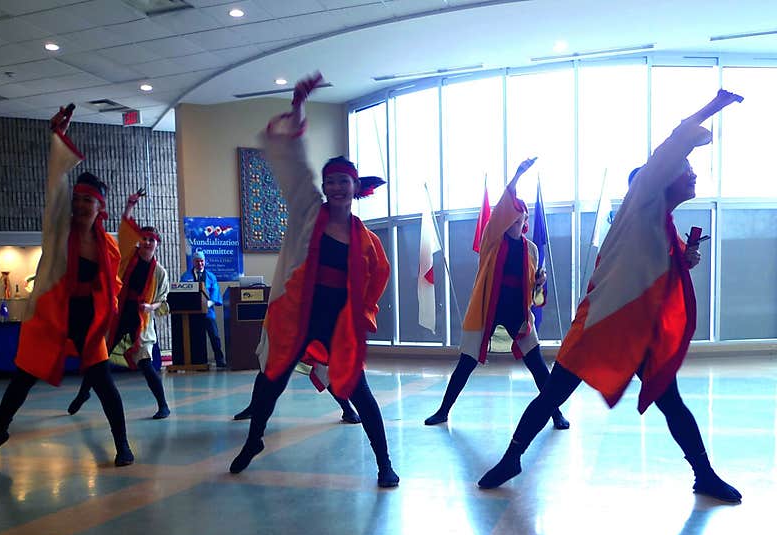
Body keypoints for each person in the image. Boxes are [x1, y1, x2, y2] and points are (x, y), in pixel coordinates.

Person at [478, 89, 744, 503]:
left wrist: (684, 259)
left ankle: (704, 474)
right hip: (602, 324)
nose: (692, 173)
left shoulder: (662, 222)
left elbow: (653, 271)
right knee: (553, 394)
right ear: (658, 177)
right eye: (686, 167)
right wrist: (714, 106)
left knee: (671, 402)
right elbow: (674, 142)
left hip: (635, 332)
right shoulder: (642, 200)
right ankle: (512, 457)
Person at [228, 72, 399, 488]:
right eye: (331, 181)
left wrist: (359, 315)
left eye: (344, 181)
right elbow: (296, 165)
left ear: (355, 187)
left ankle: (384, 463)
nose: (336, 187)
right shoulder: (309, 212)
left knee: (360, 391)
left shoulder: (368, 241)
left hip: (337, 323)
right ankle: (254, 440)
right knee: (271, 380)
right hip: (299, 316)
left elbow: (379, 279)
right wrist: (299, 106)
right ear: (324, 186)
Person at [0, 103, 134, 467]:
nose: (78, 205)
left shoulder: (106, 244)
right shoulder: (58, 232)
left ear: (99, 208)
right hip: (54, 313)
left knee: (104, 382)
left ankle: (122, 445)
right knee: (22, 378)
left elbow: (114, 286)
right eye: (75, 199)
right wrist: (57, 137)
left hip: (87, 320)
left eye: (86, 201)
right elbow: (56, 186)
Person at [424, 158, 569, 430]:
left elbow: (537, 297)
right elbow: (503, 206)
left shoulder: (532, 250)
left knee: (538, 366)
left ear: (525, 220)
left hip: (518, 313)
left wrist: (540, 282)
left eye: (521, 215)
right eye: (512, 214)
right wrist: (516, 176)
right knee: (466, 362)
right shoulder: (493, 239)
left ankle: (556, 414)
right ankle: (443, 410)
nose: (515, 218)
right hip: (488, 309)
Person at [66, 190, 172, 420]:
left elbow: (162, 301)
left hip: (139, 321)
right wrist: (129, 205)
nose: (146, 242)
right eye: (144, 238)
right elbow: (125, 231)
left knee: (145, 363)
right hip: (117, 314)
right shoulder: (127, 258)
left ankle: (163, 404)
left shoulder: (160, 273)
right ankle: (84, 393)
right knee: (98, 358)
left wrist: (150, 308)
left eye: (151, 240)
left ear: (157, 245)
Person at [232, 361, 362, 424]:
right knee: (267, 366)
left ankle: (347, 409)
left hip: (306, 323)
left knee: (321, 368)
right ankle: (253, 408)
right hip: (283, 322)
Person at [180, 250, 226, 368]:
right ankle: (199, 361)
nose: (200, 264)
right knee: (196, 337)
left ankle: (219, 360)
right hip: (192, 313)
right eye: (197, 261)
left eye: (202, 261)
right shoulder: (186, 276)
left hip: (208, 312)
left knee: (214, 336)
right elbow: (182, 293)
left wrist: (208, 304)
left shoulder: (211, 276)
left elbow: (215, 293)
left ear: (204, 262)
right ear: (193, 262)